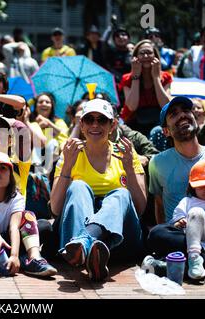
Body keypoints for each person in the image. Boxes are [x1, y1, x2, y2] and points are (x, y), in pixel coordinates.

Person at [50, 98, 147, 282]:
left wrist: (129, 169)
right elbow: (55, 208)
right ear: (82, 124)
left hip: (121, 239)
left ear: (112, 125)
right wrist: (67, 167)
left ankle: (86, 239)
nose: (95, 124)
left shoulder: (126, 153)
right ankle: (90, 253)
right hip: (76, 237)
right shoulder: (70, 153)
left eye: (101, 120)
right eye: (89, 120)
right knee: (78, 186)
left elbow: (140, 209)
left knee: (121, 194)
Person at [147, 96, 205, 259]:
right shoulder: (157, 163)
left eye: (186, 110)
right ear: (166, 131)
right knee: (157, 234)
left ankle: (193, 259)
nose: (182, 115)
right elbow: (159, 203)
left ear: (195, 118)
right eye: (174, 114)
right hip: (180, 233)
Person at [169, 160, 205, 288]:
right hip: (196, 234)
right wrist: (180, 222)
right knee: (196, 212)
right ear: (192, 186)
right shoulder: (188, 201)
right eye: (203, 186)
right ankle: (194, 259)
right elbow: (176, 218)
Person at [120, 39, 172, 137]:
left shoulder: (165, 77)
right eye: (142, 53)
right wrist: (136, 76)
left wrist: (156, 78)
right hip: (134, 121)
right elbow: (132, 106)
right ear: (136, 57)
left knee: (158, 133)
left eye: (149, 53)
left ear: (155, 56)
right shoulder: (127, 78)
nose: (146, 56)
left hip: (158, 121)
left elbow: (165, 104)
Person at [23, 92, 69, 175]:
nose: (44, 104)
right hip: (31, 158)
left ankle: (44, 175)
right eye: (40, 102)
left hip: (53, 160)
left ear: (52, 106)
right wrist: (33, 99)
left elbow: (63, 139)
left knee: (52, 142)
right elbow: (24, 107)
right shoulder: (29, 122)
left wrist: (48, 123)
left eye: (47, 102)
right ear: (35, 107)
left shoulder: (58, 122)